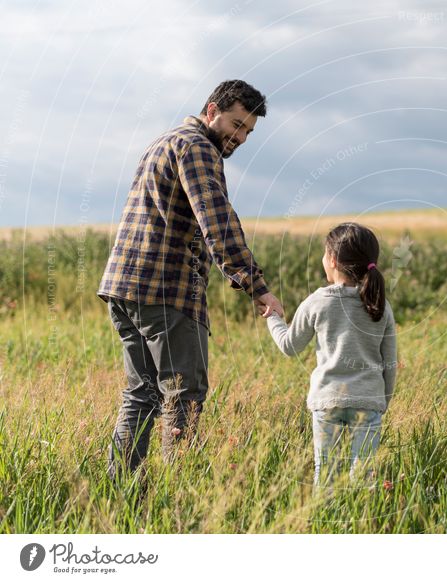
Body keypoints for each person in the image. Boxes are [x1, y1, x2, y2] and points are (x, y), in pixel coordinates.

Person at [98, 80, 283, 480]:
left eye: (248, 131)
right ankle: (177, 498)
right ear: (212, 110)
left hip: (125, 287)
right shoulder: (197, 147)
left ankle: (122, 495)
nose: (240, 137)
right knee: (185, 399)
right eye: (236, 124)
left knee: (141, 395)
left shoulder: (163, 141)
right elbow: (216, 220)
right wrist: (256, 285)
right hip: (166, 289)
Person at [265, 223, 398, 488]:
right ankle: (363, 523)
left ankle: (324, 524)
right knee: (364, 478)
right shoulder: (380, 304)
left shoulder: (318, 301)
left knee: (325, 476)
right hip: (369, 402)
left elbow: (289, 346)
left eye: (325, 254)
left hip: (327, 401)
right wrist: (382, 401)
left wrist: (274, 318)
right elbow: (390, 364)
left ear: (333, 260)